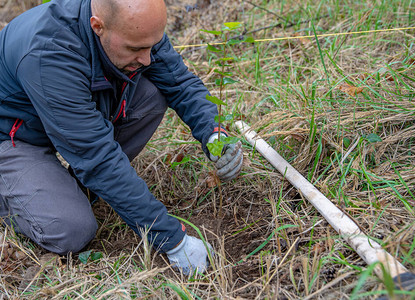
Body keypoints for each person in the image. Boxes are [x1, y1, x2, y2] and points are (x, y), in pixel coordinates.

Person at [0, 0, 243, 275]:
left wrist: (213, 132)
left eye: (153, 45)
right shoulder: (50, 53)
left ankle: (70, 190)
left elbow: (180, 84)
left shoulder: (136, 30)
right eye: (136, 48)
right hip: (12, 136)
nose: (148, 58)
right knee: (70, 229)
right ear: (98, 26)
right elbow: (98, 158)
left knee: (152, 93)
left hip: (61, 119)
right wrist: (172, 240)